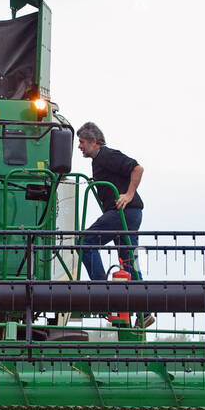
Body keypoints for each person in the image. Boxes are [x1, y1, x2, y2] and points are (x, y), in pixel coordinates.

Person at [76, 121, 153, 328]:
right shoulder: (98, 161)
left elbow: (137, 168)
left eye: (82, 142)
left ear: (94, 141)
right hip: (130, 214)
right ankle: (144, 312)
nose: (79, 147)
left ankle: (103, 293)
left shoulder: (108, 156)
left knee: (84, 242)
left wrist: (128, 194)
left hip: (123, 213)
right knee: (128, 262)